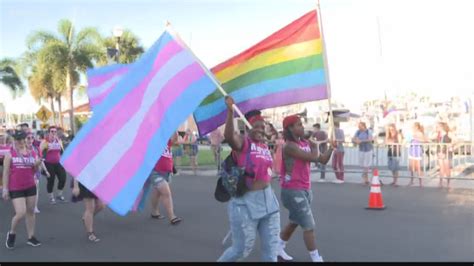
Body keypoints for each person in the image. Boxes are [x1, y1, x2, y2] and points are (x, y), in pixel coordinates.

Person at [218, 96, 280, 262]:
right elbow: (229, 136)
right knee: (240, 250)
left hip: (269, 202)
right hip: (245, 205)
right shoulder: (243, 143)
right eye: (256, 126)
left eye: (263, 126)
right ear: (247, 126)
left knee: (271, 251)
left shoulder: (264, 145)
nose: (261, 129)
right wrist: (230, 112)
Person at [277, 115, 334, 262]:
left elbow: (322, 160)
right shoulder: (289, 146)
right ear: (290, 128)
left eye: (301, 124)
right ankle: (316, 258)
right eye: (298, 124)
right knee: (308, 225)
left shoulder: (304, 142)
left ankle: (278, 246)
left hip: (305, 188)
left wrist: (332, 148)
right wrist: (315, 146)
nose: (302, 127)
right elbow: (312, 157)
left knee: (295, 221)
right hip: (292, 190)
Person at [2, 130, 43, 249]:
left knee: (30, 212)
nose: (20, 142)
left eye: (22, 140)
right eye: (17, 140)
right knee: (20, 213)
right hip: (16, 187)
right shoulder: (10, 154)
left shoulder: (32, 153)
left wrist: (37, 164)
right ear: (14, 141)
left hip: (30, 186)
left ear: (26, 140)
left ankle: (31, 237)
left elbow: (34, 171)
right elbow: (5, 173)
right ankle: (12, 233)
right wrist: (5, 189)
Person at [148, 132, 182, 225]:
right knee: (166, 192)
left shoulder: (166, 141)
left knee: (157, 193)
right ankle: (172, 217)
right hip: (155, 172)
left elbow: (175, 139)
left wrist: (174, 126)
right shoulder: (151, 141)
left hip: (166, 172)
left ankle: (154, 212)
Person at [40, 126, 67, 203]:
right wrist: (42, 164)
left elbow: (62, 152)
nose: (54, 133)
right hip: (48, 163)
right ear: (49, 132)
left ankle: (59, 194)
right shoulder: (45, 141)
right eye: (52, 131)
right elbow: (39, 153)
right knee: (51, 180)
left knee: (63, 177)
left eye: (55, 131)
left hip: (58, 163)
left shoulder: (59, 140)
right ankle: (51, 197)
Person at [26, 131, 50, 213]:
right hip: (24, 173)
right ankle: (25, 205)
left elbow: (41, 160)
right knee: (25, 189)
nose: (30, 140)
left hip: (35, 172)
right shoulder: (21, 149)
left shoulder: (36, 149)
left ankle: (35, 206)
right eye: (28, 138)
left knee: (36, 189)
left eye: (32, 138)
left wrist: (46, 171)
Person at [408, 122, 428, 187]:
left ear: (416, 127)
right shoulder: (412, 133)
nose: (412, 128)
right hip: (412, 150)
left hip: (417, 150)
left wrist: (417, 139)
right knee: (411, 166)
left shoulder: (419, 133)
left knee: (418, 167)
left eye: (413, 127)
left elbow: (425, 140)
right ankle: (411, 180)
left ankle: (420, 182)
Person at [437, 122, 453, 189]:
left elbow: (455, 140)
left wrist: (451, 145)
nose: (437, 128)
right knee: (441, 168)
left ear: (442, 127)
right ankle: (440, 182)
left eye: (438, 127)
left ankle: (448, 183)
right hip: (440, 152)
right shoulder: (439, 135)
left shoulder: (448, 133)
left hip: (446, 153)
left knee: (447, 168)